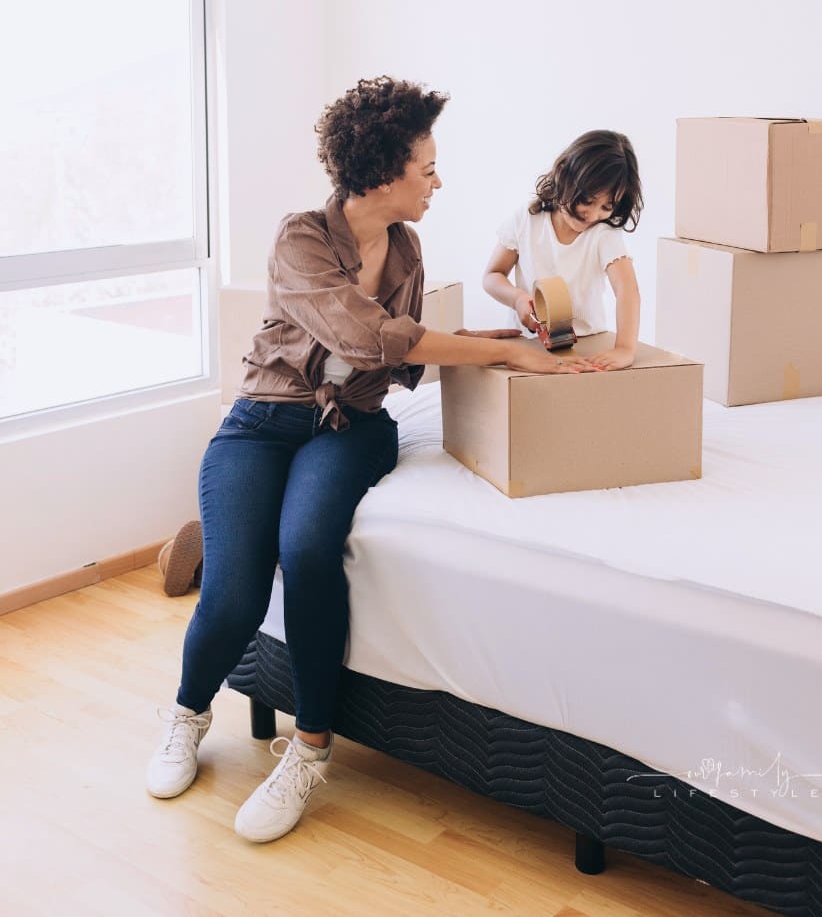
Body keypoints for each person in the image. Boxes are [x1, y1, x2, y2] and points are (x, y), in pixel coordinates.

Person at [146, 76, 598, 844]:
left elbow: (403, 363)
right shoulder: (300, 238)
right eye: (427, 166)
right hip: (261, 425)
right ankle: (187, 712)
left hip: (350, 427)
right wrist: (511, 357)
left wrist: (501, 348)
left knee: (310, 549)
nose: (437, 180)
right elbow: (371, 338)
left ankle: (311, 748)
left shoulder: (408, 248)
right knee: (234, 594)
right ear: (386, 170)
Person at [483, 130, 643, 371]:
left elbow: (627, 291)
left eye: (606, 207)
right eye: (587, 200)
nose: (593, 214)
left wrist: (625, 348)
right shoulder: (527, 219)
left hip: (587, 342)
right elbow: (492, 276)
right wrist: (517, 299)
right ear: (565, 176)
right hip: (530, 343)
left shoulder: (603, 235)